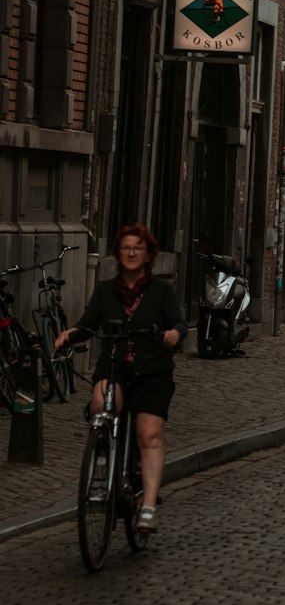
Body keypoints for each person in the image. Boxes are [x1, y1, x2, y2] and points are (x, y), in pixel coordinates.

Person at [53, 223, 186, 533]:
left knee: (149, 435)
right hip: (115, 367)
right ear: (118, 253)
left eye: (137, 248)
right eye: (125, 248)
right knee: (100, 403)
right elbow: (87, 323)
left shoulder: (161, 292)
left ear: (148, 255)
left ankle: (148, 507)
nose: (130, 253)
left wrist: (173, 334)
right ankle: (101, 467)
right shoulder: (105, 291)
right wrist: (70, 334)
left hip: (152, 372)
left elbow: (179, 323)